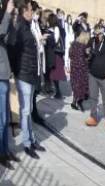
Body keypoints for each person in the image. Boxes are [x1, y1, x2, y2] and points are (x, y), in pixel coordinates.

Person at [9, 0, 45, 158]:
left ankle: (32, 139)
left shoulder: (28, 27)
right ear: (24, 12)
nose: (33, 13)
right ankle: (27, 143)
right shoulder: (20, 28)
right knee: (25, 111)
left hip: (30, 74)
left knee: (28, 110)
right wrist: (16, 72)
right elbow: (13, 51)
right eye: (31, 10)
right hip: (23, 75)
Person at [86, 25, 105, 131]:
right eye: (96, 33)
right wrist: (87, 53)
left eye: (100, 33)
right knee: (93, 97)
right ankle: (93, 117)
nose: (98, 35)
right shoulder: (92, 41)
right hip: (93, 75)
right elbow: (87, 53)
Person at [0, 0, 17, 167]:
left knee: (5, 118)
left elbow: (10, 40)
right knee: (2, 119)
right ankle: (1, 153)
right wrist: (7, 13)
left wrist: (11, 18)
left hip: (4, 75)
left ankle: (5, 150)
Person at [69, 28, 89, 112]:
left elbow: (70, 55)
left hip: (74, 67)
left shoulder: (73, 44)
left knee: (76, 85)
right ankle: (78, 101)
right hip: (81, 69)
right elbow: (86, 58)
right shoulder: (84, 47)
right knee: (81, 86)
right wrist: (88, 55)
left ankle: (74, 102)